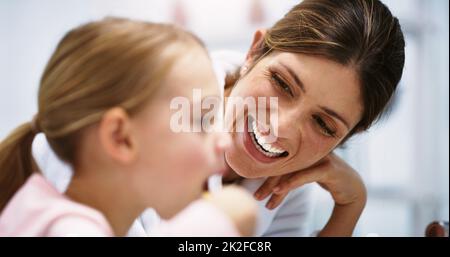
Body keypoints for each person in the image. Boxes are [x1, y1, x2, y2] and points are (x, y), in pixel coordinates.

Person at [33, 0, 406, 236]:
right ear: (255, 50)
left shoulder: (286, 187)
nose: (280, 128)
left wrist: (349, 208)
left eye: (324, 125)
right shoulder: (147, 105)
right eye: (282, 83)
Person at [0, 18, 257, 236]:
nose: (223, 140)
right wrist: (218, 219)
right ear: (120, 137)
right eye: (202, 121)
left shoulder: (37, 208)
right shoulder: (69, 229)